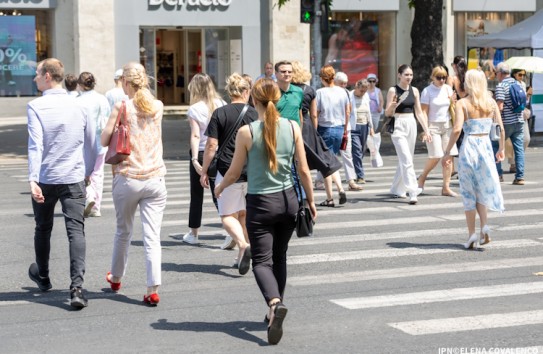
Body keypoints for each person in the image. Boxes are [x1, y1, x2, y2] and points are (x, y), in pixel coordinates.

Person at [215, 78, 317, 345]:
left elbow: (235, 172)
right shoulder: (293, 126)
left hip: (261, 203)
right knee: (280, 257)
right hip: (289, 201)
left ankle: (273, 303)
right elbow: (304, 170)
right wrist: (311, 201)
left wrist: (220, 188)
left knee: (261, 261)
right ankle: (275, 308)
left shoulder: (247, 132)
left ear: (254, 101)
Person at [27, 58, 97, 309]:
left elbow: (36, 145)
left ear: (47, 76)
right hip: (73, 177)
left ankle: (43, 276)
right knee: (76, 231)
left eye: (37, 74)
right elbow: (92, 145)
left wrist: (33, 178)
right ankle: (77, 288)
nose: (34, 78)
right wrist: (88, 172)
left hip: (46, 177)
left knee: (43, 227)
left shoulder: (35, 106)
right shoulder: (80, 105)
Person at [101, 62, 167, 305]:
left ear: (125, 83)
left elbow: (104, 139)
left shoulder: (122, 106)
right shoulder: (158, 106)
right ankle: (152, 288)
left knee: (123, 230)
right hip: (155, 178)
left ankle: (116, 278)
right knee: (152, 236)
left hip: (128, 177)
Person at [200, 73, 257, 274]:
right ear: (246, 91)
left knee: (226, 215)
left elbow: (211, 145)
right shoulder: (255, 113)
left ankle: (243, 244)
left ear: (230, 92)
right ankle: (241, 257)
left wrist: (204, 169)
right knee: (243, 214)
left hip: (227, 168)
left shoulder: (220, 113)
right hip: (251, 170)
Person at [442, 69, 505, 249]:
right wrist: (500, 149)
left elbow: (456, 130)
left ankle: (471, 235)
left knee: (469, 192)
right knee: (482, 189)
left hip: (469, 147)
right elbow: (500, 128)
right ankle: (484, 226)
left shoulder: (463, 103)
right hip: (485, 147)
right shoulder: (491, 102)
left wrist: (447, 152)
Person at [182, 73, 228, 247]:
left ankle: (194, 233)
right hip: (219, 152)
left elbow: (195, 135)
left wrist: (194, 159)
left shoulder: (195, 108)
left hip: (201, 151)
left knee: (196, 194)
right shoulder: (222, 104)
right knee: (220, 193)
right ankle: (229, 229)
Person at [290, 61, 343, 193]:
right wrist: (314, 130)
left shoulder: (288, 89)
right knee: (323, 158)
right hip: (307, 126)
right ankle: (338, 189)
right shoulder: (310, 90)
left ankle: (300, 191)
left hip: (291, 123)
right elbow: (313, 114)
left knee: (294, 159)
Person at [384, 64, 431, 205]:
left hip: (411, 123)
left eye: (411, 74)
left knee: (406, 158)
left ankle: (396, 189)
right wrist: (393, 105)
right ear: (399, 75)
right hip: (398, 124)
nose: (409, 77)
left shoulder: (415, 90)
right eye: (406, 75)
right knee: (406, 159)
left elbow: (419, 112)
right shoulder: (393, 90)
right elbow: (387, 113)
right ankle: (412, 190)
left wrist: (426, 130)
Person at [418, 66, 458, 197]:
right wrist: (426, 130)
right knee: (435, 155)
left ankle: (446, 187)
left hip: (447, 125)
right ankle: (422, 177)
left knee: (449, 156)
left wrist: (453, 101)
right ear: (432, 77)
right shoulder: (427, 91)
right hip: (433, 126)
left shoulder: (447, 88)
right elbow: (423, 112)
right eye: (439, 77)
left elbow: (451, 107)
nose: (442, 80)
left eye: (444, 77)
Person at [77, 72, 111, 217]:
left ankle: (88, 196)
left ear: (80, 84)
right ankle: (96, 206)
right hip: (100, 142)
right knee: (98, 174)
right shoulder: (102, 99)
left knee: (83, 173)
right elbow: (108, 119)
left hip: (83, 144)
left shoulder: (77, 100)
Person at [315, 65, 349, 207]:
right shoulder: (343, 92)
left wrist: (314, 130)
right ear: (333, 77)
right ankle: (340, 189)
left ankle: (330, 198)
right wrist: (345, 129)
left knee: (326, 166)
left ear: (322, 78)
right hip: (339, 128)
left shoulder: (320, 93)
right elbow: (347, 112)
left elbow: (316, 113)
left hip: (325, 128)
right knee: (332, 162)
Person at [494, 62, 526, 185]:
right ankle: (520, 177)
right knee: (518, 149)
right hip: (519, 121)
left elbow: (500, 106)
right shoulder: (518, 84)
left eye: (496, 72)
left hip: (506, 123)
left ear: (501, 73)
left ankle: (498, 175)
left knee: (495, 146)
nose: (496, 75)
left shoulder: (501, 86)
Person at [334, 72, 364, 190]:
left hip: (346, 128)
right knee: (329, 155)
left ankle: (351, 181)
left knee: (347, 155)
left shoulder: (347, 93)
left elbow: (350, 110)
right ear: (335, 82)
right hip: (333, 127)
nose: (344, 86)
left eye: (345, 84)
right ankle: (320, 180)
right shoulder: (328, 92)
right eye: (341, 84)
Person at [505, 69, 530, 174]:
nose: (522, 77)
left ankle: (517, 163)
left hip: (521, 115)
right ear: (514, 74)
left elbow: (524, 101)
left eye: (524, 75)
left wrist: (528, 95)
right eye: (520, 74)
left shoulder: (523, 84)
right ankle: (513, 164)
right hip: (510, 116)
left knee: (526, 139)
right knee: (509, 142)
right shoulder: (509, 84)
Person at [350, 79, 374, 185]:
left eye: (364, 91)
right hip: (353, 127)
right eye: (361, 91)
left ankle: (354, 169)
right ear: (356, 87)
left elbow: (368, 112)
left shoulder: (366, 96)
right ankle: (360, 176)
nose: (362, 93)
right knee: (357, 150)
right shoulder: (349, 96)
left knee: (362, 150)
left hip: (364, 126)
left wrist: (371, 127)